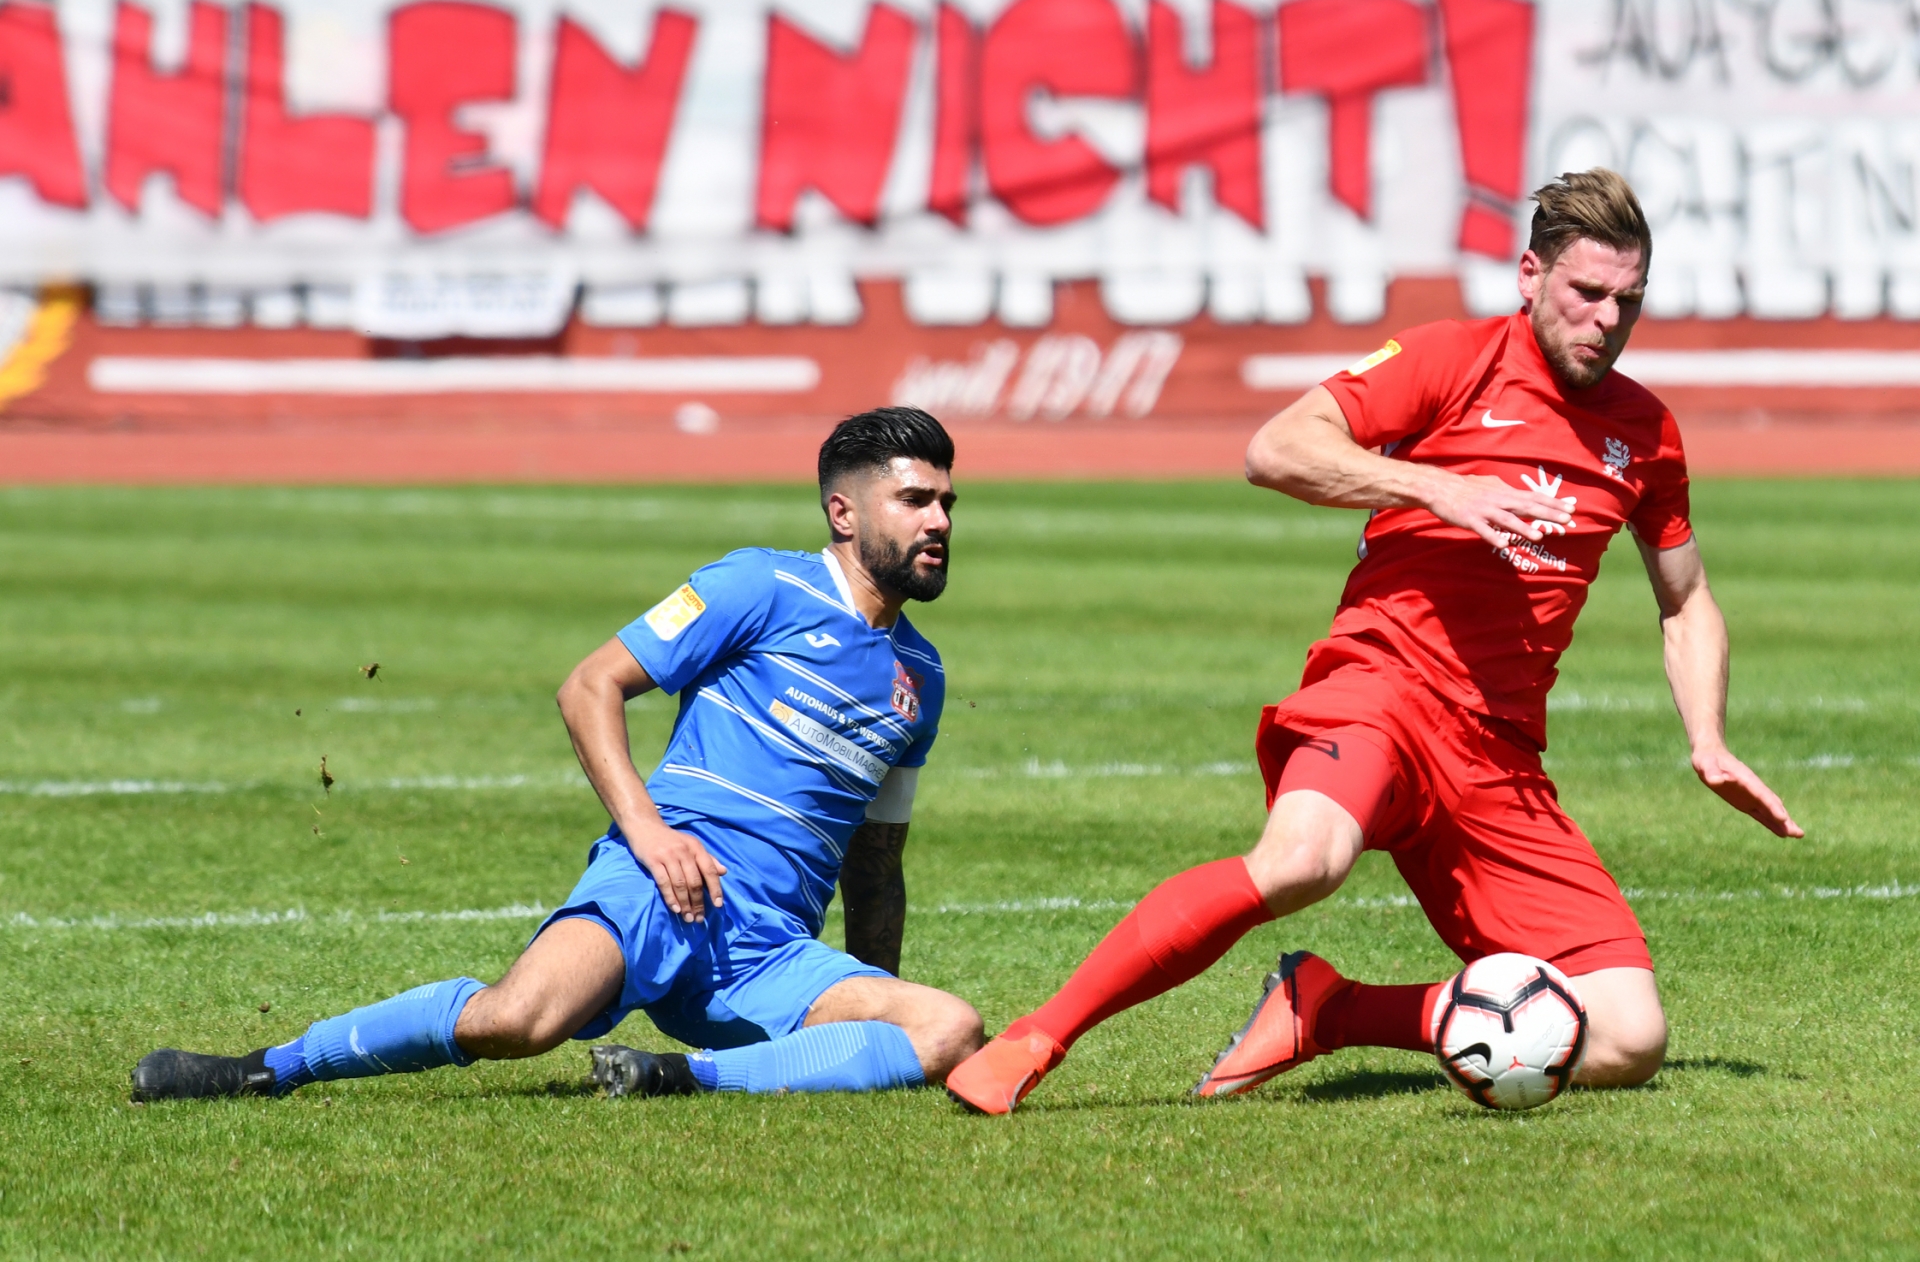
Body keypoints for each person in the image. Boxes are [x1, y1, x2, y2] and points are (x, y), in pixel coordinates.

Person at [945, 168, 1802, 1115]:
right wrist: (1437, 487)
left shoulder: (1646, 433)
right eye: (1586, 293)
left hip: (1500, 756)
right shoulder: (1451, 359)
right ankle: (1036, 1040)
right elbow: (1274, 449)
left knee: (1629, 1037)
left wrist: (1709, 740)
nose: (1606, 319)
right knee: (1302, 861)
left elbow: (1686, 601)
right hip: (1383, 688)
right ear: (1529, 276)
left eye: (1627, 302)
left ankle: (1331, 1010)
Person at [132, 407, 984, 1102]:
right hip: (658, 886)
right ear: (845, 512)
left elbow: (877, 862)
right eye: (915, 500)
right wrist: (647, 834)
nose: (939, 521)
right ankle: (264, 1068)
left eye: (946, 501)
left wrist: (879, 1027)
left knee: (948, 1027)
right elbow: (588, 687)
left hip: (769, 954)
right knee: (518, 1022)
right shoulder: (758, 586)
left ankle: (677, 1079)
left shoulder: (924, 678)